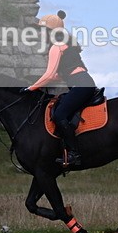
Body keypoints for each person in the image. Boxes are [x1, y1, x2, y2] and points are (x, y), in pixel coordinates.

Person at [25, 10, 96, 168]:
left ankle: (74, 154)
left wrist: (31, 89)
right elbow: (58, 75)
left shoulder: (56, 47)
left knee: (59, 115)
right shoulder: (67, 45)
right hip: (83, 82)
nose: (41, 34)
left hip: (80, 84)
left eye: (43, 31)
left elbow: (49, 75)